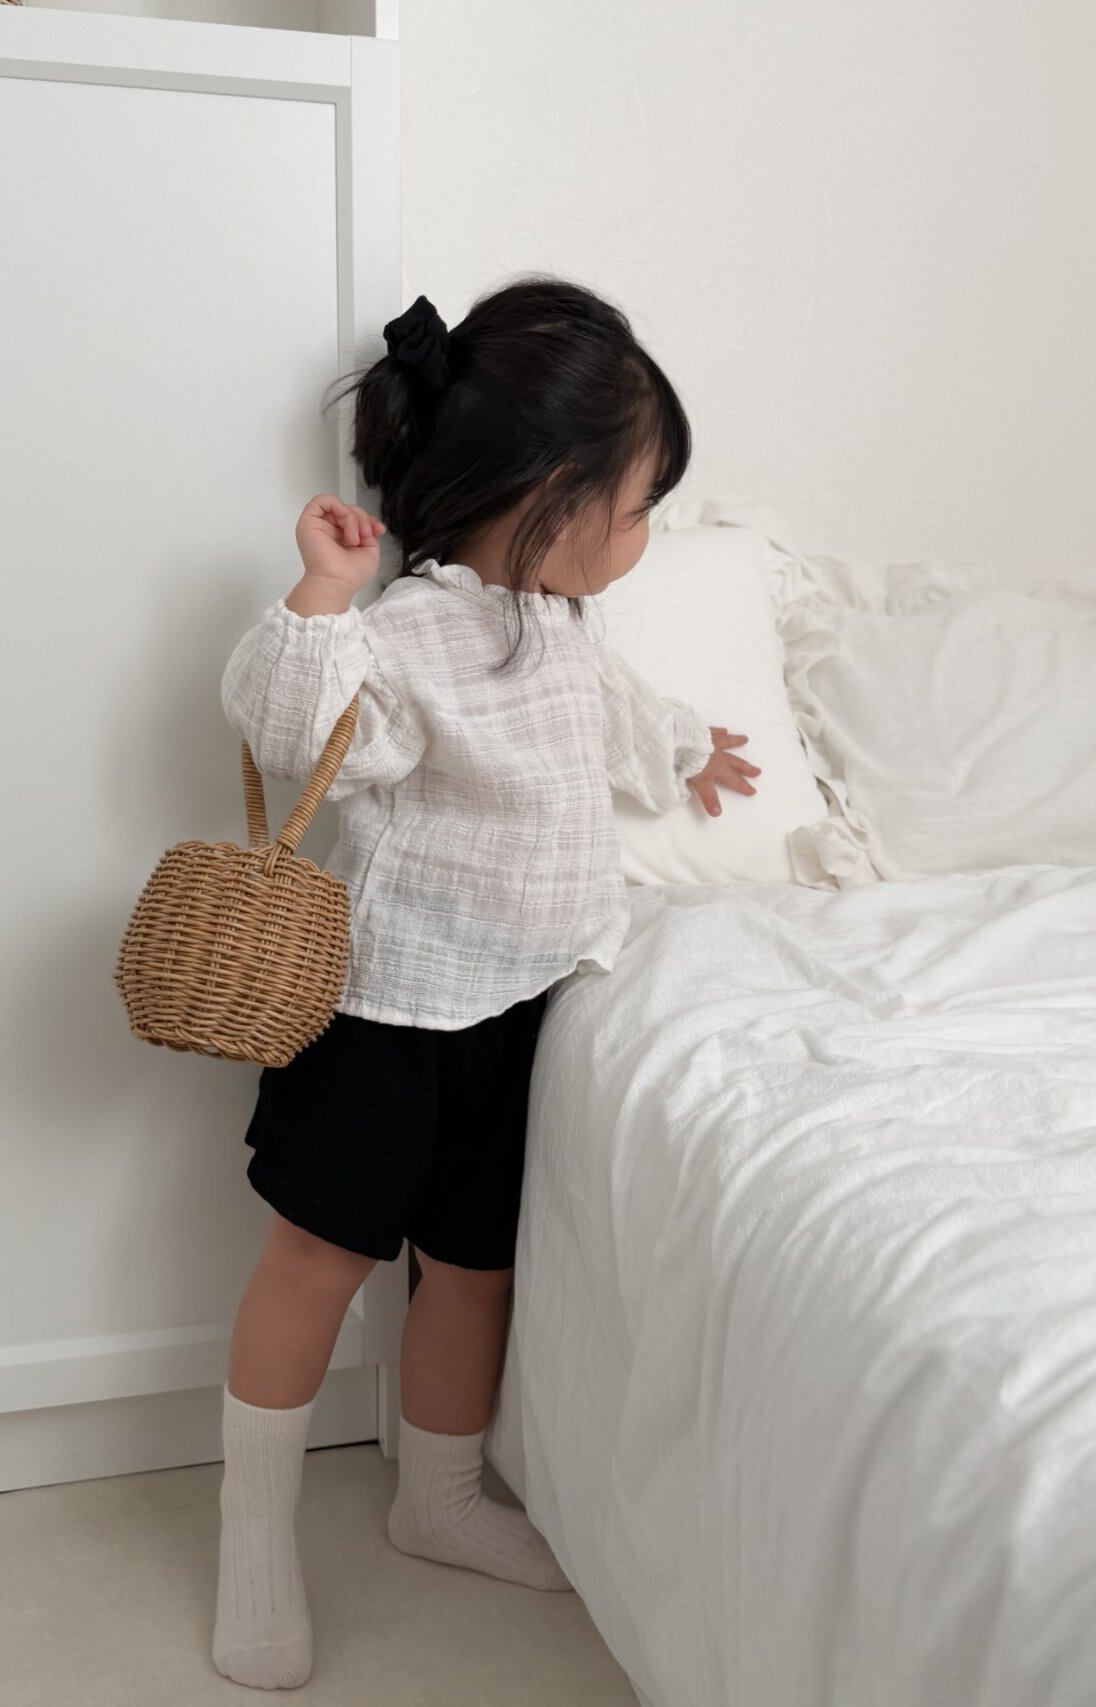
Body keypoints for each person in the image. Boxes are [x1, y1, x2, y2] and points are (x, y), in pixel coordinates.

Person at [213, 278, 760, 1689]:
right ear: (546, 496)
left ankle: (439, 1496)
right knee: (317, 1264)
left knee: (472, 1272)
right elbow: (292, 735)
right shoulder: (409, 633)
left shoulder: (563, 625)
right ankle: (251, 1535)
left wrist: (691, 750)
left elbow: (620, 721)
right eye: (633, 509)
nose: (642, 539)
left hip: (518, 1008)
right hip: (385, 1014)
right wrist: (323, 596)